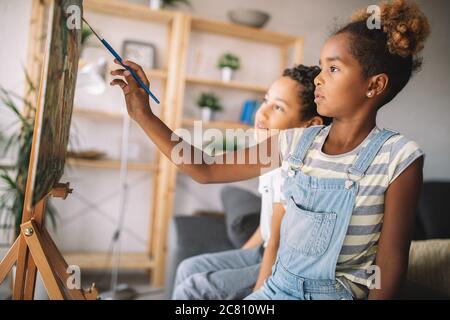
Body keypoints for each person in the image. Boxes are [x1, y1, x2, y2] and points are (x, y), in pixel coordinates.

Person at [110, 0, 429, 300]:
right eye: (320, 67)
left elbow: (390, 263)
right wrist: (143, 115)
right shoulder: (293, 143)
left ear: (374, 85)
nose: (318, 78)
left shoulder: (400, 157)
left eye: (333, 69)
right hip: (276, 289)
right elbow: (204, 169)